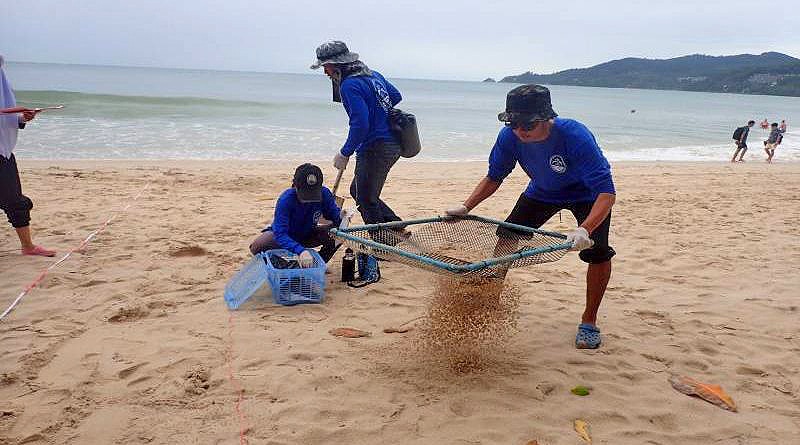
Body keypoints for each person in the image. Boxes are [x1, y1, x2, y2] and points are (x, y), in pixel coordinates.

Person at [445, 85, 616, 349]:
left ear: (547, 118)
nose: (520, 130)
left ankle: (589, 321)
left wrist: (584, 229)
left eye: (528, 124)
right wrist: (467, 206)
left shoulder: (575, 135)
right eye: (513, 123)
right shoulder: (509, 137)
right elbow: (494, 176)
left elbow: (606, 192)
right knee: (506, 237)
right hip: (543, 192)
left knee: (598, 253)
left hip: (588, 195)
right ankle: (492, 298)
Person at [310, 40, 404, 284]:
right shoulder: (373, 75)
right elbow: (396, 95)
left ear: (337, 65)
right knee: (359, 191)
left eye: (326, 67)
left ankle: (383, 246)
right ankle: (395, 226)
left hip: (376, 146)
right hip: (393, 143)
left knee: (365, 196)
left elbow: (360, 123)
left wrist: (345, 152)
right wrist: (379, 110)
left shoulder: (350, 85)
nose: (325, 72)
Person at [0, 55, 56, 257]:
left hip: (3, 152)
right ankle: (28, 246)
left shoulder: (2, 82)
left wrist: (22, 116)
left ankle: (27, 246)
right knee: (14, 200)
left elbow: (6, 117)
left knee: (14, 201)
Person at [249, 163, 348, 267]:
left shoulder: (324, 194)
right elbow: (280, 233)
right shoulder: (286, 200)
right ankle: (284, 265)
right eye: (305, 193)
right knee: (257, 246)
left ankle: (318, 264)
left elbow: (334, 217)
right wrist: (301, 251)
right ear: (295, 186)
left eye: (313, 194)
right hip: (287, 236)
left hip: (309, 234)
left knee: (340, 233)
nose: (308, 199)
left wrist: (342, 217)